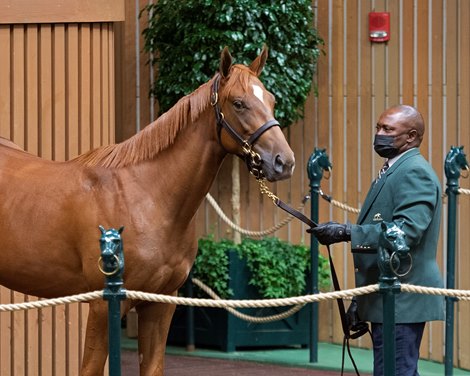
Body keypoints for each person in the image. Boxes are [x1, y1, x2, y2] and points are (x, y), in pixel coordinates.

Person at [310, 105, 445, 376]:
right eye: (378, 128)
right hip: (385, 294)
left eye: (387, 130)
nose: (379, 134)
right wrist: (363, 301)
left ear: (411, 136)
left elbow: (405, 232)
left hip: (403, 297)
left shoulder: (415, 172)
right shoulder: (393, 170)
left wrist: (346, 232)